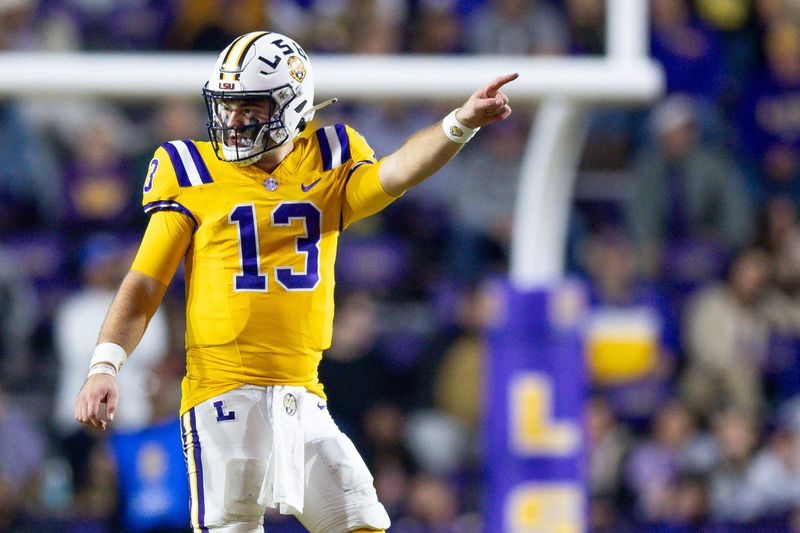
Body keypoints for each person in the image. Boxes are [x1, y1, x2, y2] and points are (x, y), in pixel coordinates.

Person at [74, 30, 517, 533]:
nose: (233, 121)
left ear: (291, 104)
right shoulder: (189, 169)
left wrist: (459, 123)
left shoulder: (330, 155)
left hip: (302, 396)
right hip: (222, 392)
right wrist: (105, 364)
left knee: (362, 522)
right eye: (228, 106)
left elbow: (396, 172)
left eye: (250, 107)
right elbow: (146, 280)